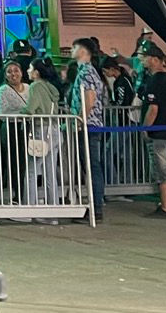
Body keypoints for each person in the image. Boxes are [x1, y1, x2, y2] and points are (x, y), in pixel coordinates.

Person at [69, 38, 110, 222]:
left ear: (84, 51)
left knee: (92, 166)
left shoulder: (87, 72)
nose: (72, 50)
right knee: (91, 166)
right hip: (90, 124)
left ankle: (96, 208)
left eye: (75, 47)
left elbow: (90, 97)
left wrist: (80, 119)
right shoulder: (87, 71)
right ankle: (95, 206)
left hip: (89, 126)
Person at [140, 44, 166, 217]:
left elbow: (153, 109)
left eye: (145, 57)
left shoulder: (155, 80)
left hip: (158, 131)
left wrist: (145, 128)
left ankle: (165, 206)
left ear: (154, 59)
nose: (142, 61)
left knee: (161, 170)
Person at [26, 58, 64, 220]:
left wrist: (18, 114)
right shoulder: (52, 88)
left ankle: (29, 209)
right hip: (54, 130)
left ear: (36, 73)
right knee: (50, 172)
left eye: (30, 68)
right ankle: (53, 212)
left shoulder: (35, 87)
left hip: (40, 130)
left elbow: (30, 109)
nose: (27, 71)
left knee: (32, 170)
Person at [0, 58, 31, 207]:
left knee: (27, 162)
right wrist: (24, 112)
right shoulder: (3, 90)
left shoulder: (29, 88)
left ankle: (28, 194)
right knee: (15, 163)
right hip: (11, 129)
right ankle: (17, 194)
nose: (13, 74)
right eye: (9, 72)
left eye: (16, 71)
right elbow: (2, 111)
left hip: (27, 128)